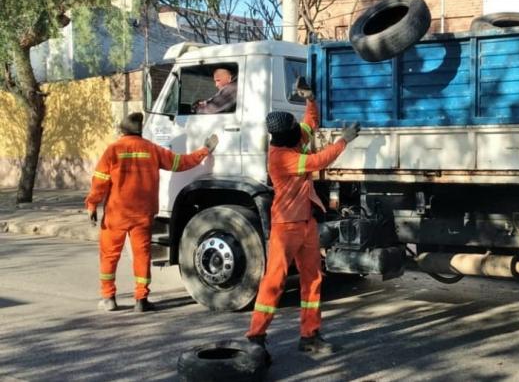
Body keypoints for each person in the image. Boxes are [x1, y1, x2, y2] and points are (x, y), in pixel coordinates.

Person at [246, 77, 360, 363]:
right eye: (298, 133)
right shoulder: (281, 158)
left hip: (305, 222)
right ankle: (256, 336)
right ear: (287, 138)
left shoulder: (292, 140)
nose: (303, 133)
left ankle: (310, 336)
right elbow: (317, 162)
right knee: (275, 280)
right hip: (286, 226)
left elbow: (310, 123)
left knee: (313, 279)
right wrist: (343, 140)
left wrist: (309, 99)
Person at [85, 112, 218, 312]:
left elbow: (99, 182)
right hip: (143, 213)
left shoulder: (113, 150)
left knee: (109, 255)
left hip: (117, 213)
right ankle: (141, 300)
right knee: (142, 256)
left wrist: (92, 204)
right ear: (140, 131)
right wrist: (204, 151)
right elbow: (181, 163)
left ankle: (109, 298)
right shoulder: (151, 149)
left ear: (122, 130)